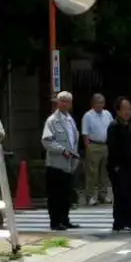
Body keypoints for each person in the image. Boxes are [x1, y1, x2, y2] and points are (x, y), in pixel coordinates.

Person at [42, 91, 81, 231]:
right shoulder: (52, 120)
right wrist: (62, 150)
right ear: (57, 103)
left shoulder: (70, 120)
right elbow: (46, 141)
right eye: (62, 101)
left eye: (68, 101)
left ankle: (65, 220)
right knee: (55, 195)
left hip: (69, 164)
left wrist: (75, 154)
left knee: (66, 194)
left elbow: (74, 140)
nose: (65, 103)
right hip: (55, 164)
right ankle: (55, 222)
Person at [106, 97, 131, 233]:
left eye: (130, 108)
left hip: (129, 166)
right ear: (118, 111)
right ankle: (120, 222)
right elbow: (113, 147)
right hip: (118, 167)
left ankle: (130, 220)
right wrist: (116, 166)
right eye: (125, 108)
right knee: (121, 195)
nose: (128, 111)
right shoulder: (114, 126)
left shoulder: (127, 125)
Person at [80, 93, 113, 206]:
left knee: (105, 172)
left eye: (102, 102)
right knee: (92, 173)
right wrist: (88, 147)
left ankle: (102, 195)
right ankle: (89, 196)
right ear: (93, 103)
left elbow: (112, 129)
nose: (100, 105)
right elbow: (85, 133)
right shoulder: (88, 115)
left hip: (105, 145)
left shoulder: (107, 114)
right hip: (93, 145)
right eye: (97, 102)